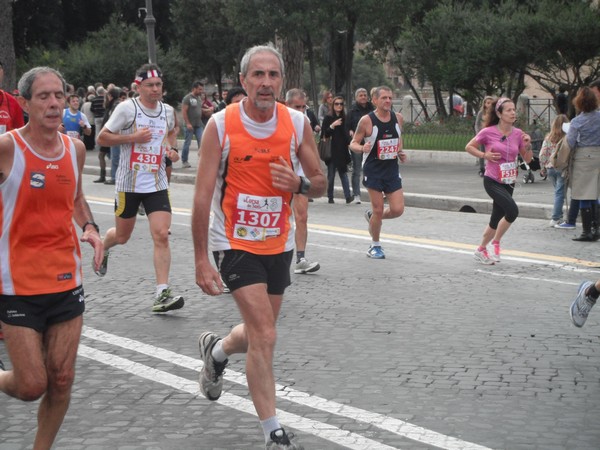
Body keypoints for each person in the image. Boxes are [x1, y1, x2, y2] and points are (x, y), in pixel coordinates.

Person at [192, 44, 325, 449]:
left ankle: (217, 351)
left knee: (256, 334)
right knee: (265, 334)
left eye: (273, 76)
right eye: (258, 75)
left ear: (281, 81)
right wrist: (200, 258)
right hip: (232, 242)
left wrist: (299, 184)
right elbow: (200, 197)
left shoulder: (298, 123)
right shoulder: (221, 124)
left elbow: (319, 182)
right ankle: (274, 433)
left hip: (277, 242)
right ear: (243, 80)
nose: (266, 83)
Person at [0, 66, 103, 449]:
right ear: (24, 103)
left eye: (59, 94)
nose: (54, 103)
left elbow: (76, 198)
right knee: (31, 385)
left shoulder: (73, 149)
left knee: (61, 379)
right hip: (16, 283)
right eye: (43, 96)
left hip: (65, 279)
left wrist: (90, 228)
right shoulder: (8, 147)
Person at [96, 63, 185, 313]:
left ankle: (162, 293)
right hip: (129, 184)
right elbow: (102, 137)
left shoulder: (167, 111)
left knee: (161, 234)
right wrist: (131, 138)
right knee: (122, 237)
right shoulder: (127, 109)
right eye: (150, 86)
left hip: (156, 183)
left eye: (159, 85)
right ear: (138, 87)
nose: (156, 89)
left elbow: (170, 133)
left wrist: (173, 150)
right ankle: (104, 246)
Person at [465, 97, 533, 264]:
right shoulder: (488, 132)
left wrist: (528, 144)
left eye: (514, 109)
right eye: (508, 110)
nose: (513, 113)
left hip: (508, 180)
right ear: (499, 113)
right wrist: (484, 155)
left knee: (496, 218)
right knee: (512, 211)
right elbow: (469, 147)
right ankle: (495, 242)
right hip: (492, 179)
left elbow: (528, 159)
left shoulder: (518, 134)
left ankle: (481, 249)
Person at [349, 86, 407, 259]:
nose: (388, 101)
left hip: (391, 170)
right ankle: (375, 245)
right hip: (373, 170)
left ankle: (372, 216)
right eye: (384, 98)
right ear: (374, 100)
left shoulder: (398, 118)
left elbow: (398, 140)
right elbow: (353, 143)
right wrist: (362, 147)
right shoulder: (366, 121)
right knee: (379, 209)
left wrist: (400, 152)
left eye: (390, 97)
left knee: (397, 210)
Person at [285, 88, 321, 274]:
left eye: (302, 107)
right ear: (286, 105)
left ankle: (301, 258)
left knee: (302, 216)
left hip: (299, 175)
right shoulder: (276, 121)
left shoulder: (305, 122)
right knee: (279, 218)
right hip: (280, 176)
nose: (300, 111)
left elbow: (310, 150)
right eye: (296, 107)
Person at [566, 86, 600, 242]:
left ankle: (587, 232)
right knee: (596, 193)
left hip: (584, 157)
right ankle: (597, 228)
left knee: (584, 194)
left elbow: (570, 142)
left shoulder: (577, 121)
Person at [539, 114, 569, 227]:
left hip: (550, 168)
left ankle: (559, 216)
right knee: (560, 193)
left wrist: (543, 168)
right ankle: (555, 218)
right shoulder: (567, 138)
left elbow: (543, 154)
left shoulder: (549, 138)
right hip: (562, 168)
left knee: (558, 193)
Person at [322, 95, 352, 204]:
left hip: (342, 151)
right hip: (331, 151)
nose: (339, 106)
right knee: (331, 175)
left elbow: (347, 134)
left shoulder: (345, 118)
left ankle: (348, 196)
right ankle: (330, 197)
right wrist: (332, 126)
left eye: (341, 104)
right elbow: (324, 134)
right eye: (337, 104)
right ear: (333, 105)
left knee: (343, 174)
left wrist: (350, 137)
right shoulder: (328, 118)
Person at [346, 88, 374, 204]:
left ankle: (375, 192)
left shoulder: (372, 109)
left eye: (365, 95)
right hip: (358, 144)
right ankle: (357, 194)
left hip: (370, 143)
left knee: (371, 168)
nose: (363, 97)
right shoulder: (352, 111)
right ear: (356, 98)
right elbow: (347, 127)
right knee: (357, 170)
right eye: (361, 95)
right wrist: (351, 132)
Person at [181, 81, 205, 169]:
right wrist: (187, 123)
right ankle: (184, 161)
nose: (201, 91)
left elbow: (198, 109)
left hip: (198, 124)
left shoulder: (199, 98)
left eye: (202, 89)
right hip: (189, 125)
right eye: (199, 89)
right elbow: (184, 111)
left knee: (202, 142)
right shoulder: (187, 98)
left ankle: (202, 160)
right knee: (187, 143)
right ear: (194, 88)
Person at [102, 88, 123, 185]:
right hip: (112, 133)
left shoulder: (116, 105)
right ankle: (115, 176)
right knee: (112, 155)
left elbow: (114, 120)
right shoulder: (114, 104)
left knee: (115, 156)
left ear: (110, 96)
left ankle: (115, 177)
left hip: (115, 134)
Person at [474, 96, 495, 177]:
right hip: (483, 134)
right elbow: (477, 124)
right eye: (487, 103)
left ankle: (491, 167)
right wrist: (478, 133)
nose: (489, 105)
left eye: (491, 103)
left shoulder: (494, 113)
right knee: (482, 151)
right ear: (485, 104)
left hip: (491, 134)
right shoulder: (481, 113)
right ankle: (482, 168)